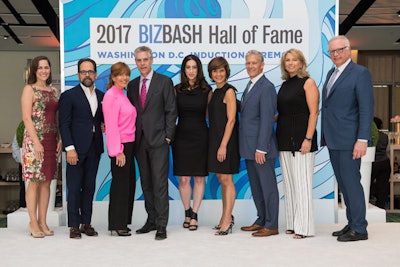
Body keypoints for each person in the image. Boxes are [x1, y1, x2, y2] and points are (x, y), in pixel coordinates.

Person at [321, 35, 374, 242]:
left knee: (351, 183)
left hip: (350, 140)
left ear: (348, 49)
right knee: (344, 184)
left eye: (339, 50)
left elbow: (366, 108)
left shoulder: (360, 74)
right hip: (334, 139)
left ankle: (360, 229)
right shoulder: (331, 73)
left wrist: (362, 139)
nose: (335, 54)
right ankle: (352, 222)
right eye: (332, 51)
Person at [127, 46, 177, 240]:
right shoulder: (132, 85)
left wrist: (168, 136)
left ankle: (162, 225)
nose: (142, 64)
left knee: (159, 184)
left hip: (159, 142)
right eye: (138, 60)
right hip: (139, 143)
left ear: (151, 59)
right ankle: (152, 219)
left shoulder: (164, 82)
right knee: (146, 184)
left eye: (145, 60)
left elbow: (171, 111)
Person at [58, 58, 105, 239]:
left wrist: (105, 126)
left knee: (89, 187)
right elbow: (64, 124)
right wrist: (69, 148)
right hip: (75, 150)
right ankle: (74, 226)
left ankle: (86, 223)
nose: (87, 74)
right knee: (75, 186)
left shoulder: (101, 96)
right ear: (78, 74)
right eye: (83, 71)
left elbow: (100, 119)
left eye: (90, 71)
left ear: (95, 74)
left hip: (94, 148)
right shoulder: (69, 96)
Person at [276, 48, 319, 239]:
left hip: (302, 141)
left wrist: (308, 139)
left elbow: (313, 112)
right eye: (287, 60)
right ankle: (293, 223)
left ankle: (305, 228)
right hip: (284, 140)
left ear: (301, 63)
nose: (291, 63)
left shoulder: (308, 83)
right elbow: (284, 112)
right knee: (290, 185)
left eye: (294, 60)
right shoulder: (285, 84)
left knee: (302, 185)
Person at [238, 50, 279, 237]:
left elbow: (267, 120)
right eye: (248, 63)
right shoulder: (250, 85)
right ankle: (261, 219)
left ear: (262, 65)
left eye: (254, 63)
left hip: (261, 148)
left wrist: (262, 147)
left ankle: (272, 224)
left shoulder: (267, 86)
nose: (251, 66)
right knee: (256, 187)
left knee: (268, 187)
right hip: (249, 147)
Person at [21, 55, 62, 238]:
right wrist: (36, 142)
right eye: (40, 68)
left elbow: (58, 117)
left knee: (47, 182)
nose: (44, 70)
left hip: (52, 139)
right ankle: (33, 223)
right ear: (34, 71)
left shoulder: (54, 91)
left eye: (47, 67)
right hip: (34, 140)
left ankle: (43, 221)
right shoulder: (29, 89)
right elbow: (27, 118)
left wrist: (60, 138)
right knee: (35, 181)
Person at [172, 55, 212, 231]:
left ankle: (194, 214)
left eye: (194, 67)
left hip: (201, 136)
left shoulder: (207, 90)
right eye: (188, 67)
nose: (191, 70)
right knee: (183, 179)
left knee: (199, 177)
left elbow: (213, 115)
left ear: (199, 69)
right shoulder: (176, 89)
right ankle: (187, 211)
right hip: (181, 137)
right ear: (184, 70)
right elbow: (170, 114)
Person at [103, 62, 137, 236]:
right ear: (113, 77)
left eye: (127, 74)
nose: (124, 78)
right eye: (120, 75)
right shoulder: (111, 96)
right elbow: (111, 126)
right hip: (121, 146)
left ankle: (122, 220)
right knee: (120, 185)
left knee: (128, 184)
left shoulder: (122, 94)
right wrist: (118, 151)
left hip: (130, 145)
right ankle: (117, 224)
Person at [207, 56, 239, 236]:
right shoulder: (214, 92)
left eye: (221, 70)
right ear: (211, 73)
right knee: (221, 177)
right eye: (215, 71)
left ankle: (227, 220)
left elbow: (232, 120)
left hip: (226, 141)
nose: (218, 74)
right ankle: (225, 217)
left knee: (227, 179)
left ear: (226, 71)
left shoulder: (229, 92)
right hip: (215, 139)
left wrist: (223, 145)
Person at [370, 117, 390, 209]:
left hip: (373, 162)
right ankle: (381, 207)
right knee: (383, 185)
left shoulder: (371, 135)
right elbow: (388, 149)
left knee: (368, 183)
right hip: (385, 162)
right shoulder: (385, 136)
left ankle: (368, 203)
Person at [11, 121, 26, 208]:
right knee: (24, 190)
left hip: (44, 164)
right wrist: (23, 161)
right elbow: (15, 147)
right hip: (24, 164)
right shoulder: (22, 126)